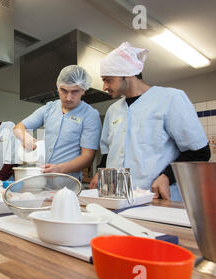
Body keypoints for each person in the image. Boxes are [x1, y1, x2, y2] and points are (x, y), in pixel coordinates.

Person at [89, 42, 210, 201]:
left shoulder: (170, 99)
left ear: (127, 74)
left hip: (155, 198)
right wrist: (100, 172)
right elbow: (108, 153)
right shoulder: (113, 110)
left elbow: (199, 152)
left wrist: (167, 176)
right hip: (115, 197)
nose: (104, 86)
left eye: (108, 80)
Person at [13, 65, 102, 181]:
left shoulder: (90, 115)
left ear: (83, 90)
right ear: (58, 87)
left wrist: (59, 169)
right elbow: (18, 128)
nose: (68, 97)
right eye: (64, 91)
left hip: (68, 182)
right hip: (42, 180)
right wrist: (24, 136)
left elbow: (87, 157)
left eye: (74, 92)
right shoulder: (49, 108)